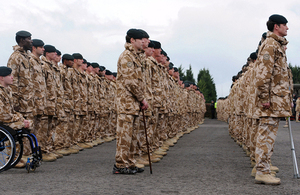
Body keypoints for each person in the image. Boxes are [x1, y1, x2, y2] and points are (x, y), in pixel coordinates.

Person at [252, 14, 292, 185]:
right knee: (265, 135)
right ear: (277, 27)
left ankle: (264, 166)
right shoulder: (270, 45)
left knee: (269, 135)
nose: (287, 28)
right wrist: (264, 97)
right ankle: (262, 170)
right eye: (285, 25)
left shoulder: (276, 45)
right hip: (271, 100)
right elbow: (263, 75)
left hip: (276, 99)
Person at [113, 29, 148, 174]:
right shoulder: (127, 57)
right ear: (132, 40)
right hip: (127, 103)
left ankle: (130, 162)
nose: (145, 42)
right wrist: (142, 98)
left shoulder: (136, 57)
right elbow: (131, 82)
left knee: (133, 136)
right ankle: (120, 165)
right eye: (141, 40)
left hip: (134, 104)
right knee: (124, 137)